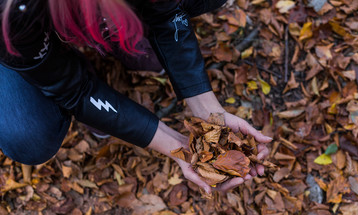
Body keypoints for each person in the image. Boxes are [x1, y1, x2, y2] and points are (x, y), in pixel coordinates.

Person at [0, 0, 271, 194]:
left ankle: (114, 33)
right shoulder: (12, 12)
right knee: (28, 135)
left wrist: (208, 114)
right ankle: (90, 37)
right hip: (15, 30)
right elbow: (76, 90)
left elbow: (167, 14)